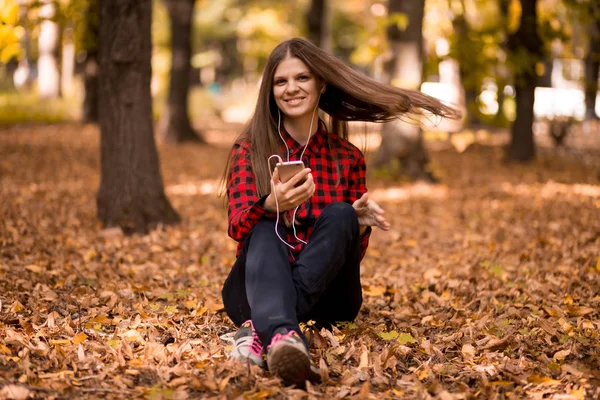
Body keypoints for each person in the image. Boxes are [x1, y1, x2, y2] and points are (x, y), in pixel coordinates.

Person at [221, 38, 458, 386]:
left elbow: (349, 261)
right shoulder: (250, 149)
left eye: (302, 78)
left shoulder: (347, 157)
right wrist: (272, 205)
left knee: (341, 213)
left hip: (329, 299)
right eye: (281, 81)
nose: (291, 89)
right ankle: (285, 338)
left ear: (321, 83)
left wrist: (357, 226)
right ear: (270, 91)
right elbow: (237, 227)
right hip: (253, 292)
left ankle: (260, 331)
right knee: (261, 228)